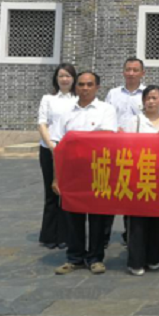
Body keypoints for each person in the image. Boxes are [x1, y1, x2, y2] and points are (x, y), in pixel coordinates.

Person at [53, 72, 118, 275]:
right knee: (72, 217)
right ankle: (75, 258)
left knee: (98, 217)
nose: (85, 88)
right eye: (81, 84)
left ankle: (96, 258)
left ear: (97, 87)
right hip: (72, 172)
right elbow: (58, 145)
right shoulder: (66, 112)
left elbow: (107, 136)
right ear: (76, 87)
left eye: (90, 84)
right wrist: (56, 177)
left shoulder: (106, 110)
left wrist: (76, 139)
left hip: (98, 169)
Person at [123, 85, 159, 276]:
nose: (151, 101)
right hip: (139, 176)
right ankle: (136, 261)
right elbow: (127, 147)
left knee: (157, 219)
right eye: (148, 98)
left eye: (155, 98)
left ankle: (153, 258)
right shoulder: (135, 121)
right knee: (137, 221)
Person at [105, 57, 147, 247]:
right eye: (128, 69)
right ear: (123, 72)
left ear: (142, 73)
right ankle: (103, 235)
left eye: (135, 70)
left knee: (132, 190)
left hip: (138, 151)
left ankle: (130, 233)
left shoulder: (147, 94)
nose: (131, 73)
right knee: (111, 191)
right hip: (115, 148)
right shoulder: (113, 94)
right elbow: (105, 116)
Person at [37, 63, 77, 250]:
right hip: (50, 148)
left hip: (71, 150)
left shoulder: (78, 100)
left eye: (68, 76)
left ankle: (65, 235)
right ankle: (49, 235)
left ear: (74, 78)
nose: (64, 79)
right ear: (56, 79)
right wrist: (52, 145)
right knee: (51, 191)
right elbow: (42, 123)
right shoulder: (48, 99)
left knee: (68, 193)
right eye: (61, 76)